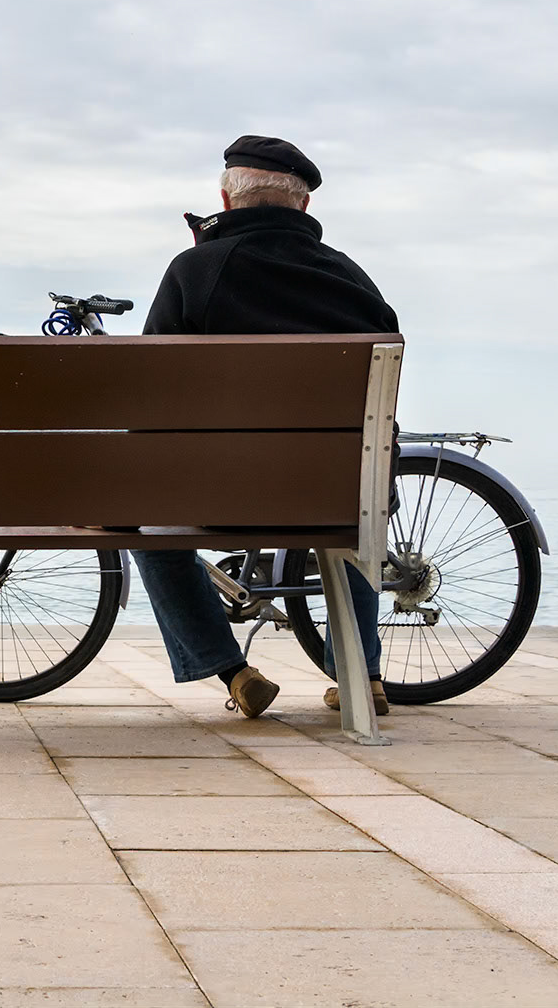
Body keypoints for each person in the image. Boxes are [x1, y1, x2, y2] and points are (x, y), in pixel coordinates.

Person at [133, 135, 399, 717]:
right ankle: (364, 674)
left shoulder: (194, 271)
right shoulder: (353, 280)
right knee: (353, 520)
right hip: (334, 494)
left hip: (221, 499)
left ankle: (231, 670)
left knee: (148, 532)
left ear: (226, 202)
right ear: (303, 208)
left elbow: (147, 395)